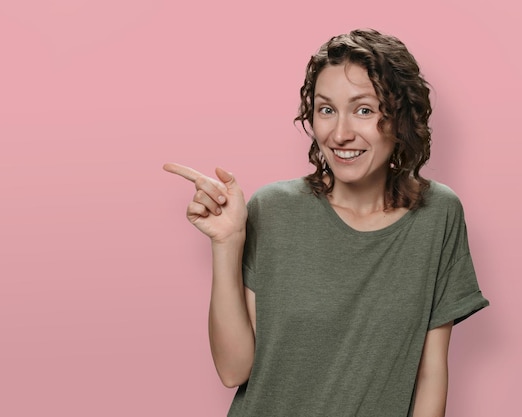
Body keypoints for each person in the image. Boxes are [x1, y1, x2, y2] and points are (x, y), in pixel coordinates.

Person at [163, 28, 489, 417]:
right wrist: (227, 242)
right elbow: (234, 371)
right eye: (326, 109)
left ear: (401, 117)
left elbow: (430, 373)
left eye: (364, 110)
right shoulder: (273, 210)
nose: (340, 133)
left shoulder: (438, 214)